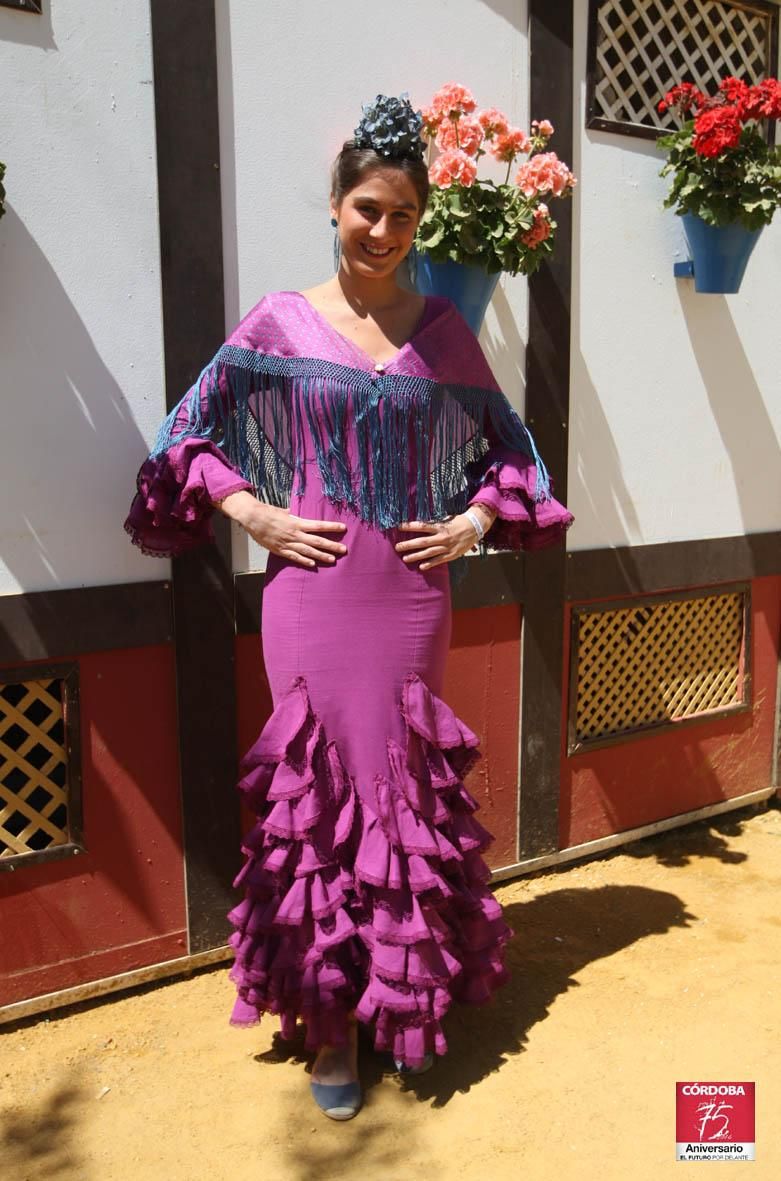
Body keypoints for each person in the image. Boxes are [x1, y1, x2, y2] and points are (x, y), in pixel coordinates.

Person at [125, 94, 573, 1121]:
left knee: (402, 791)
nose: (382, 231)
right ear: (334, 204)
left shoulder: (446, 332)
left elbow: (517, 457)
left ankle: (402, 999)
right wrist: (252, 512)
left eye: (403, 216)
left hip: (413, 598)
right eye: (367, 208)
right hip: (311, 598)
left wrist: (469, 528)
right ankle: (331, 1023)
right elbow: (180, 438)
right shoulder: (278, 322)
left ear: (421, 223)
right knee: (319, 794)